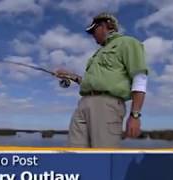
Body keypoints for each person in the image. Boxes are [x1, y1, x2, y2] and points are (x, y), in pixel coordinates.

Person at [55, 12, 148, 148]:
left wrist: (135, 115)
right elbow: (95, 82)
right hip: (83, 104)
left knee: (102, 154)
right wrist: (71, 76)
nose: (92, 35)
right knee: (73, 153)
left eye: (94, 30)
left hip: (107, 105)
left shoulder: (128, 43)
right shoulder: (97, 54)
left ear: (106, 25)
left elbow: (140, 78)